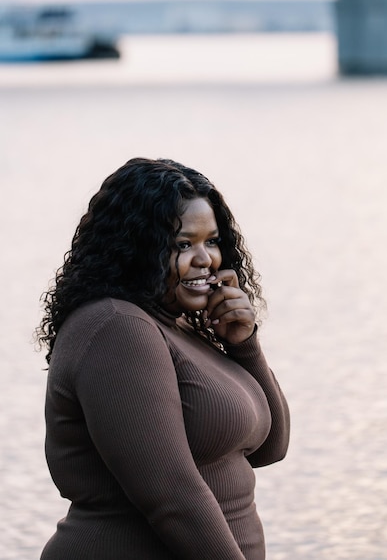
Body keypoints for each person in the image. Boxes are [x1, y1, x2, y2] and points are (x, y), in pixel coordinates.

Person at [37, 157, 290, 560]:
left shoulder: (179, 328)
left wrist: (244, 344)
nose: (205, 259)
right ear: (135, 248)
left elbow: (269, 449)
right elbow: (172, 495)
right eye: (182, 244)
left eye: (212, 241)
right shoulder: (117, 328)